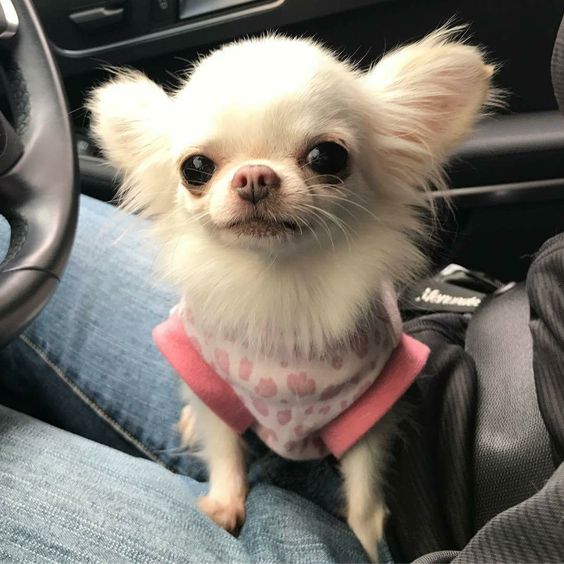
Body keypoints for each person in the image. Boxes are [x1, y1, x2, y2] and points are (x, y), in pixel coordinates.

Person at [1, 194, 563, 563]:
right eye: (198, 168)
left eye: (324, 156)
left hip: (426, 526)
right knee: (16, 223)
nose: (253, 181)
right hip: (468, 358)